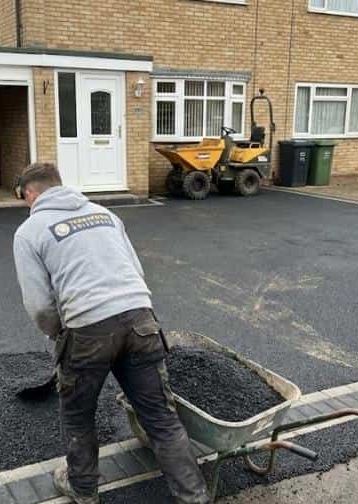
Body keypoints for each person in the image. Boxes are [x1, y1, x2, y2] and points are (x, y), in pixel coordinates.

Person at [13, 163, 210, 504]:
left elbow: (41, 306)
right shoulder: (104, 214)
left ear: (30, 193)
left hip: (88, 331)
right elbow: (135, 269)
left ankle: (84, 490)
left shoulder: (30, 230)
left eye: (23, 198)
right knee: (162, 419)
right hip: (141, 320)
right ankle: (195, 497)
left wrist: (59, 334)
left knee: (78, 416)